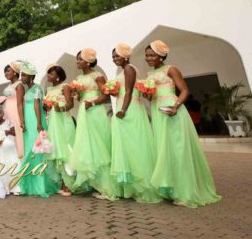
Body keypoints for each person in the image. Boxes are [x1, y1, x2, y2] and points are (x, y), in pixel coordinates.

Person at [145, 40, 221, 207]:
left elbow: (185, 90)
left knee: (178, 149)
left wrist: (175, 106)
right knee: (164, 150)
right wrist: (147, 94)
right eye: (147, 55)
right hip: (157, 112)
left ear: (161, 55)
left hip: (172, 111)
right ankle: (170, 189)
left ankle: (186, 191)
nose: (149, 58)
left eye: (152, 55)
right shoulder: (149, 75)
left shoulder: (171, 69)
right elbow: (151, 95)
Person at [109, 44, 161, 203]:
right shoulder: (124, 70)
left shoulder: (129, 69)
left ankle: (143, 186)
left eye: (117, 56)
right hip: (124, 106)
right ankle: (130, 187)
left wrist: (123, 110)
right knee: (127, 147)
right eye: (113, 57)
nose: (115, 59)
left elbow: (130, 92)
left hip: (129, 110)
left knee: (134, 146)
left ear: (125, 56)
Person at [68, 48, 119, 200]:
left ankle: (108, 186)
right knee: (87, 145)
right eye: (77, 59)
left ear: (89, 61)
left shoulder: (97, 76)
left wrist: (92, 102)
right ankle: (95, 182)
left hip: (95, 112)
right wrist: (77, 96)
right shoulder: (78, 78)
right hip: (85, 112)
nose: (77, 62)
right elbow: (81, 98)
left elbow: (106, 96)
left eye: (80, 59)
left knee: (99, 145)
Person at [18, 61, 60, 198]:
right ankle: (31, 184)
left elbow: (37, 105)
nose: (22, 78)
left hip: (35, 122)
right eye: (21, 75)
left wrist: (38, 123)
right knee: (30, 150)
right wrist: (23, 122)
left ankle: (40, 184)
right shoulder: (28, 90)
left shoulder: (36, 88)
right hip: (29, 123)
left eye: (24, 75)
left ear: (31, 76)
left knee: (37, 150)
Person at [43, 64, 76, 196]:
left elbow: (70, 104)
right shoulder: (49, 89)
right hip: (52, 122)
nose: (49, 76)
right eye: (48, 74)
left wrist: (60, 108)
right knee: (57, 151)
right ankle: (61, 182)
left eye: (51, 74)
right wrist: (47, 106)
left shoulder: (65, 87)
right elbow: (46, 107)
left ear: (58, 76)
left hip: (64, 121)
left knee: (67, 150)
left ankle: (69, 184)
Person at [0, 105, 21, 195]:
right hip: (0, 150)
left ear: (3, 113)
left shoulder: (8, 122)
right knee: (3, 168)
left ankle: (15, 187)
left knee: (13, 166)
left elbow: (14, 133)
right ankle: (6, 188)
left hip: (10, 150)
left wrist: (7, 132)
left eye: (0, 112)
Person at [1, 62, 25, 158]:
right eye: (5, 72)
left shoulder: (19, 85)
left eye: (8, 71)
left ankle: (21, 156)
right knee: (10, 133)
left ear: (15, 72)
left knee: (17, 133)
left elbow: (20, 103)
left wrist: (22, 120)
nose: (6, 73)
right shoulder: (9, 85)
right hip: (8, 112)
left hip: (15, 111)